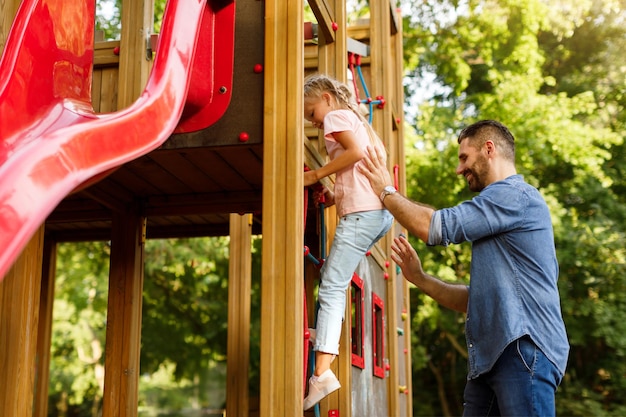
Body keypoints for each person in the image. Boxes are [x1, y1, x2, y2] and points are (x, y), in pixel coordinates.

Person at [358, 120, 569, 416]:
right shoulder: (497, 217)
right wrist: (419, 278)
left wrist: (385, 190)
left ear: (489, 149)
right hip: (492, 358)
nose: (460, 169)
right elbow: (474, 300)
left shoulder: (514, 196)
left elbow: (435, 226)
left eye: (464, 157)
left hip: (522, 349)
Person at [302, 74, 393, 410]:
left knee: (330, 288)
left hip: (362, 214)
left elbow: (352, 155)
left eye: (312, 113)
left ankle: (322, 373)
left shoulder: (337, 117)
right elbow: (355, 166)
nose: (313, 122)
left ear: (326, 98)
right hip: (378, 212)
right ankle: (323, 369)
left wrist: (314, 175)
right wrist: (331, 195)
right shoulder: (359, 122)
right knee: (335, 285)